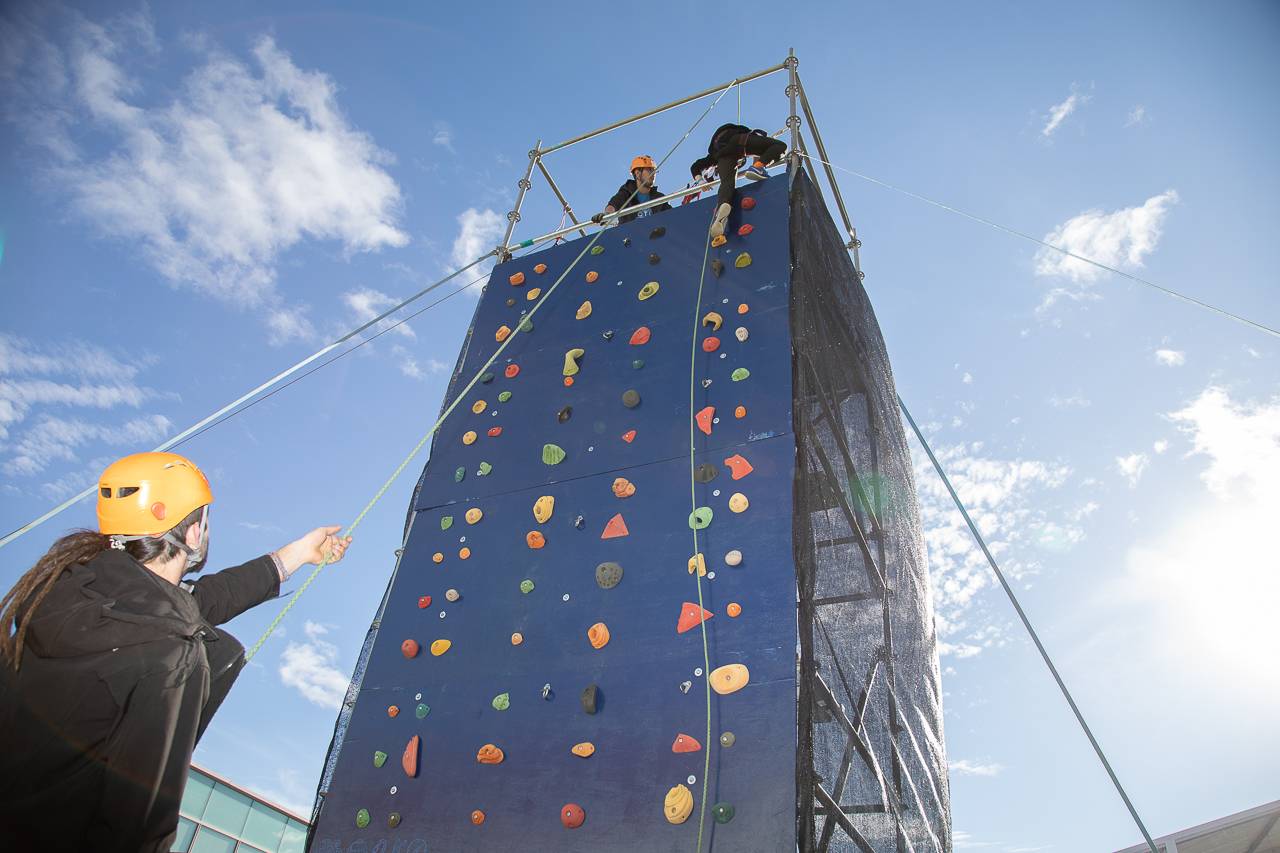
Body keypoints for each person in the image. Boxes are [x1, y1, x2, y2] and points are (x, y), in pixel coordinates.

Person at [0, 451, 352, 852]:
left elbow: (199, 600)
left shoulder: (62, 601)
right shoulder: (169, 655)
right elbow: (138, 829)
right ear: (192, 534)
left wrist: (298, 554)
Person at [688, 123, 788, 238]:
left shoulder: (712, 156)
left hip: (721, 154)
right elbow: (762, 139)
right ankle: (758, 167)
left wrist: (701, 182)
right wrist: (760, 158)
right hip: (739, 141)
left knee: (727, 183)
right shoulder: (745, 133)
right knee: (780, 146)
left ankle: (722, 209)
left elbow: (695, 166)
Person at [591, 155, 673, 225]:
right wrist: (607, 215)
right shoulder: (626, 192)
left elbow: (672, 216)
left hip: (654, 238)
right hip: (630, 239)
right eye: (650, 170)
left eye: (655, 171)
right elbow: (614, 204)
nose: (654, 174)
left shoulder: (659, 197)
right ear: (637, 173)